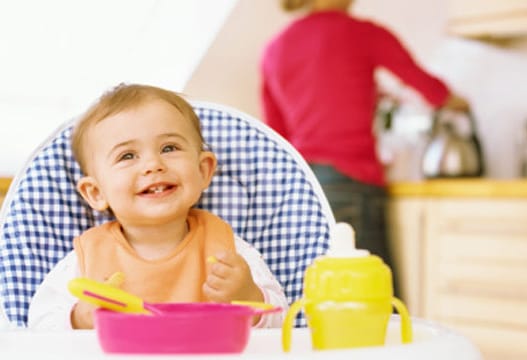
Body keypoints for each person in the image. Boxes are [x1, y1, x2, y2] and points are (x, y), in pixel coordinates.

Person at [27, 83, 287, 329]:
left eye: (169, 148)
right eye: (127, 156)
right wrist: (79, 319)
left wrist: (249, 295)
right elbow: (38, 327)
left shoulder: (225, 249)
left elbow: (284, 320)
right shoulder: (88, 258)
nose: (153, 164)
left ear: (203, 170)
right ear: (95, 192)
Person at [260, 0, 470, 296]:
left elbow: (277, 134)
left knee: (323, 300)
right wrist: (463, 104)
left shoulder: (275, 48)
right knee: (376, 303)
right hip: (351, 182)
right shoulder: (361, 33)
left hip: (302, 189)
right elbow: (432, 91)